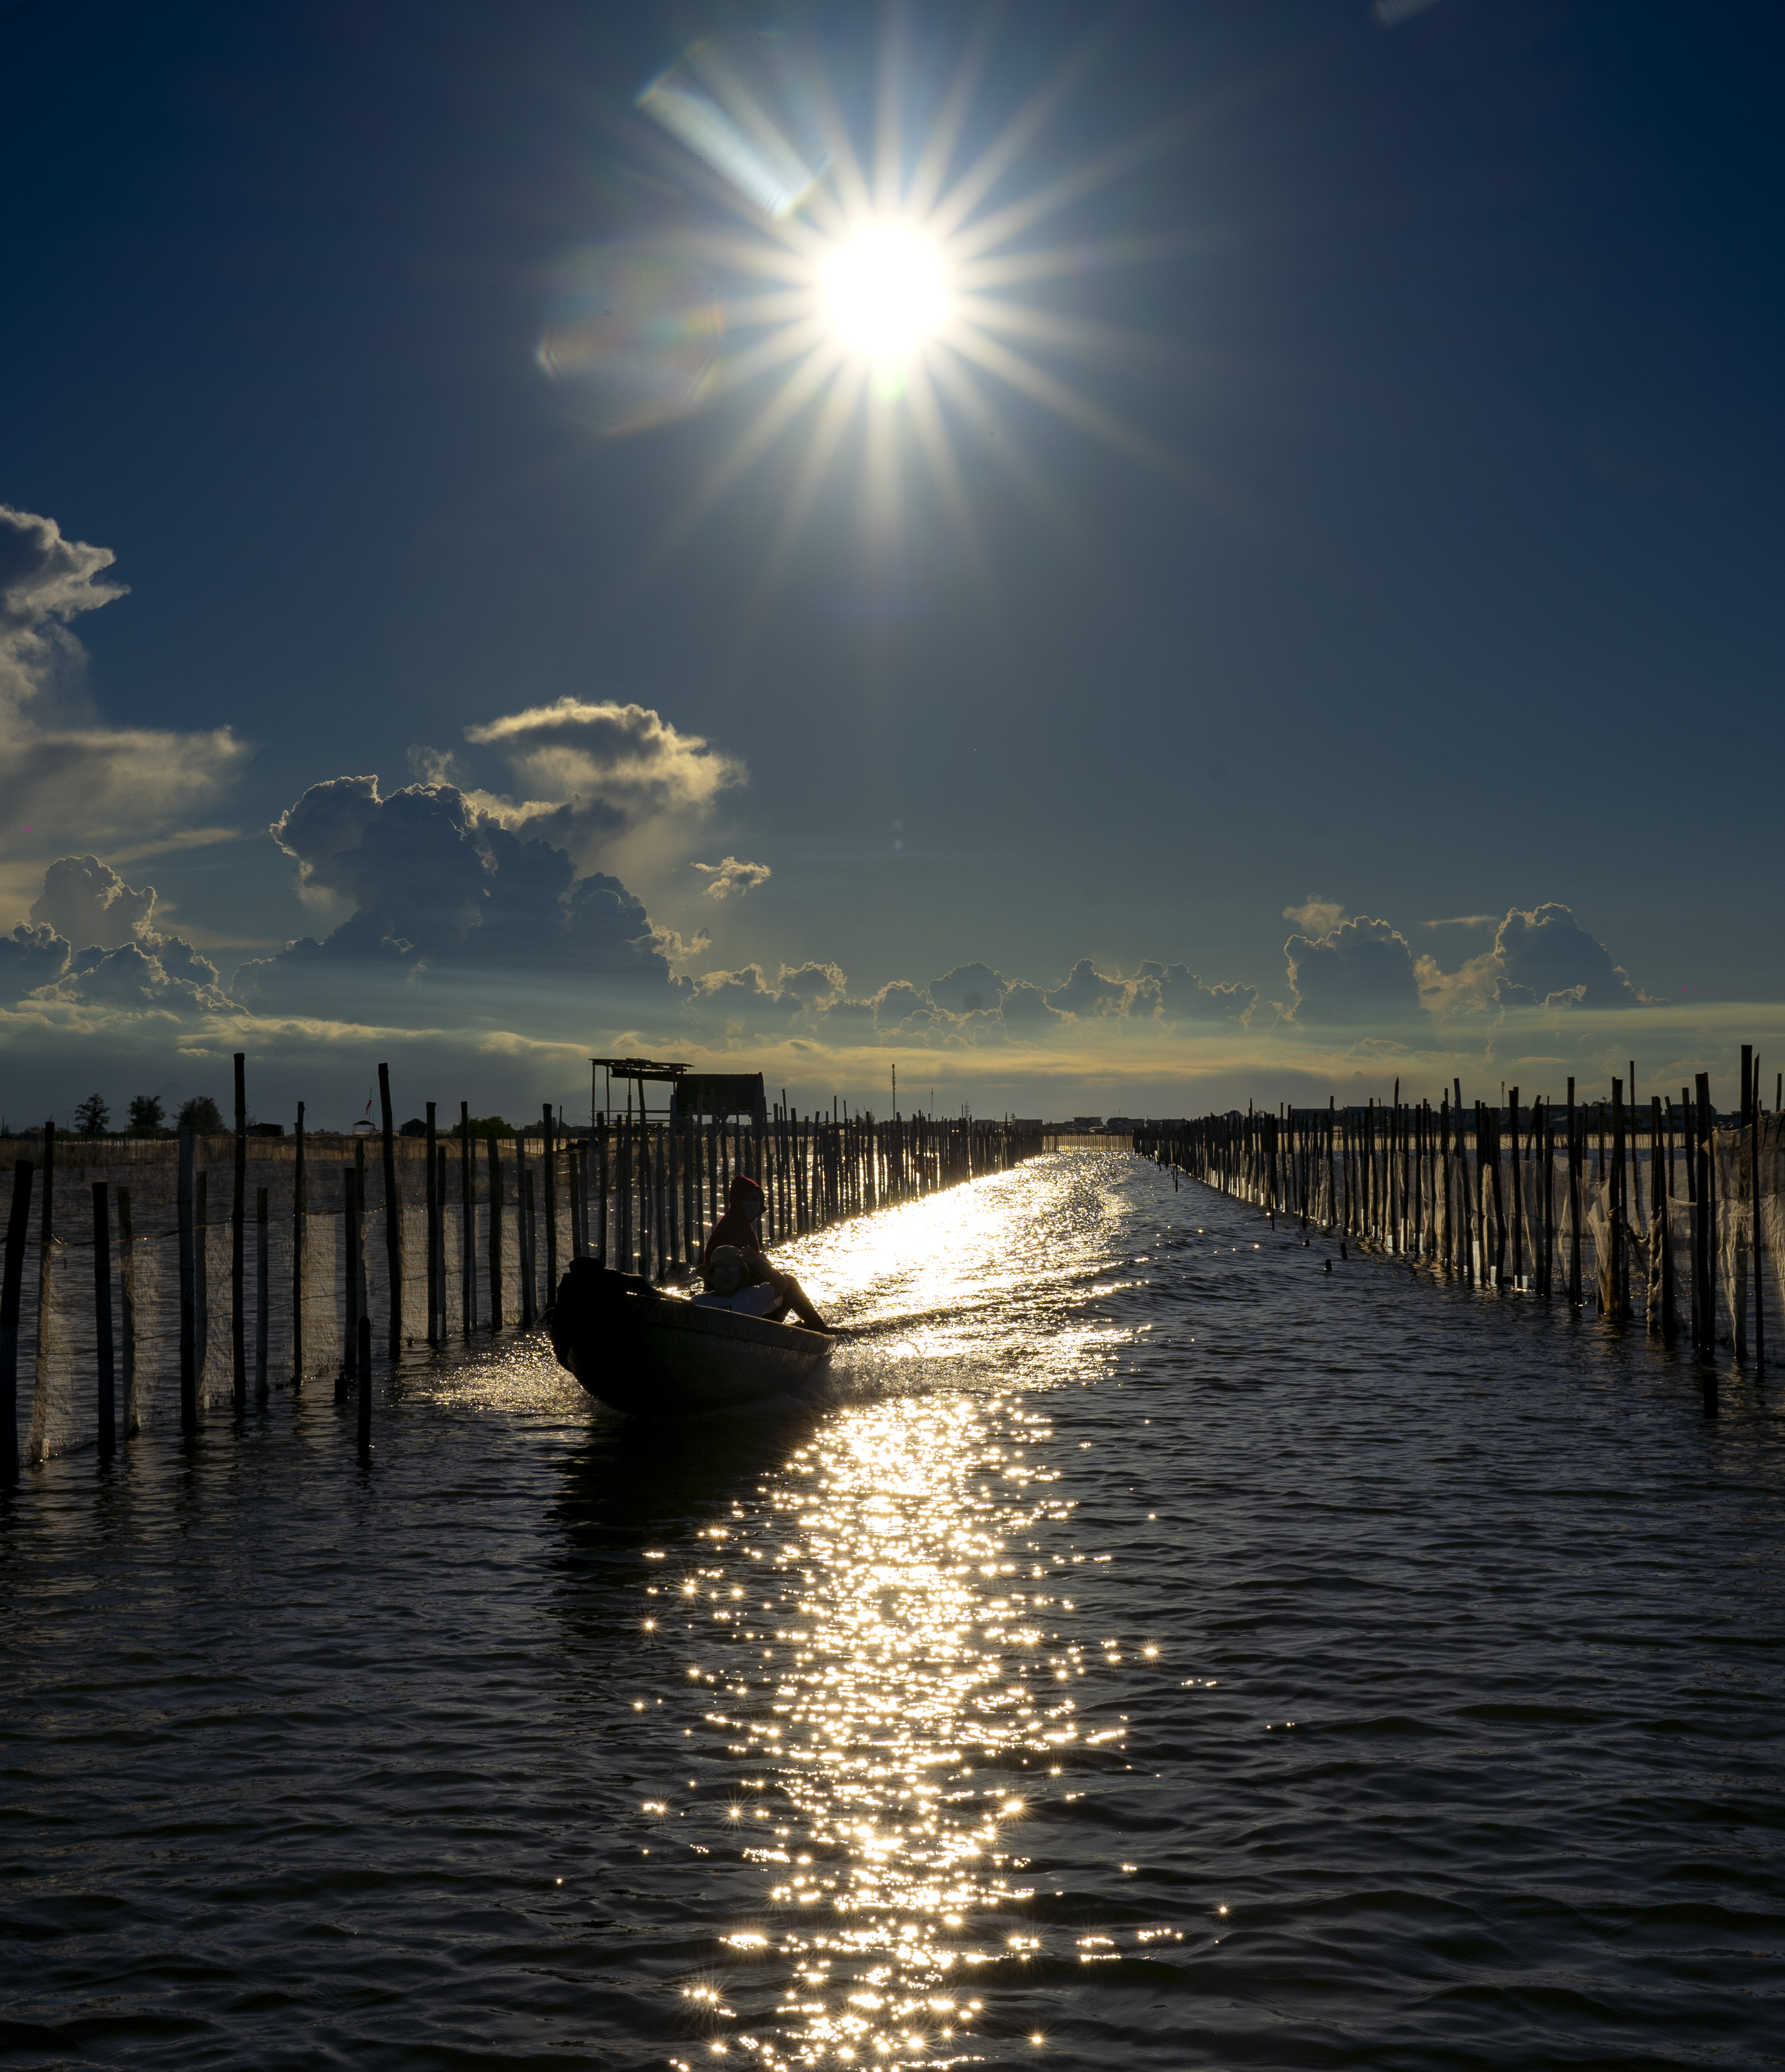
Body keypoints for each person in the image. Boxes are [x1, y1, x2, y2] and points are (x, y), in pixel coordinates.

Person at [698, 1173, 828, 1329]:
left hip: (736, 1283)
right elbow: (745, 1268)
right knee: (789, 1284)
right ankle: (816, 1327)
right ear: (738, 1200)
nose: (754, 1203)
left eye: (757, 1199)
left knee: (780, 1283)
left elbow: (753, 1260)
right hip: (727, 1286)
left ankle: (781, 1324)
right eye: (749, 1198)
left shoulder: (740, 1223)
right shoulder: (734, 1226)